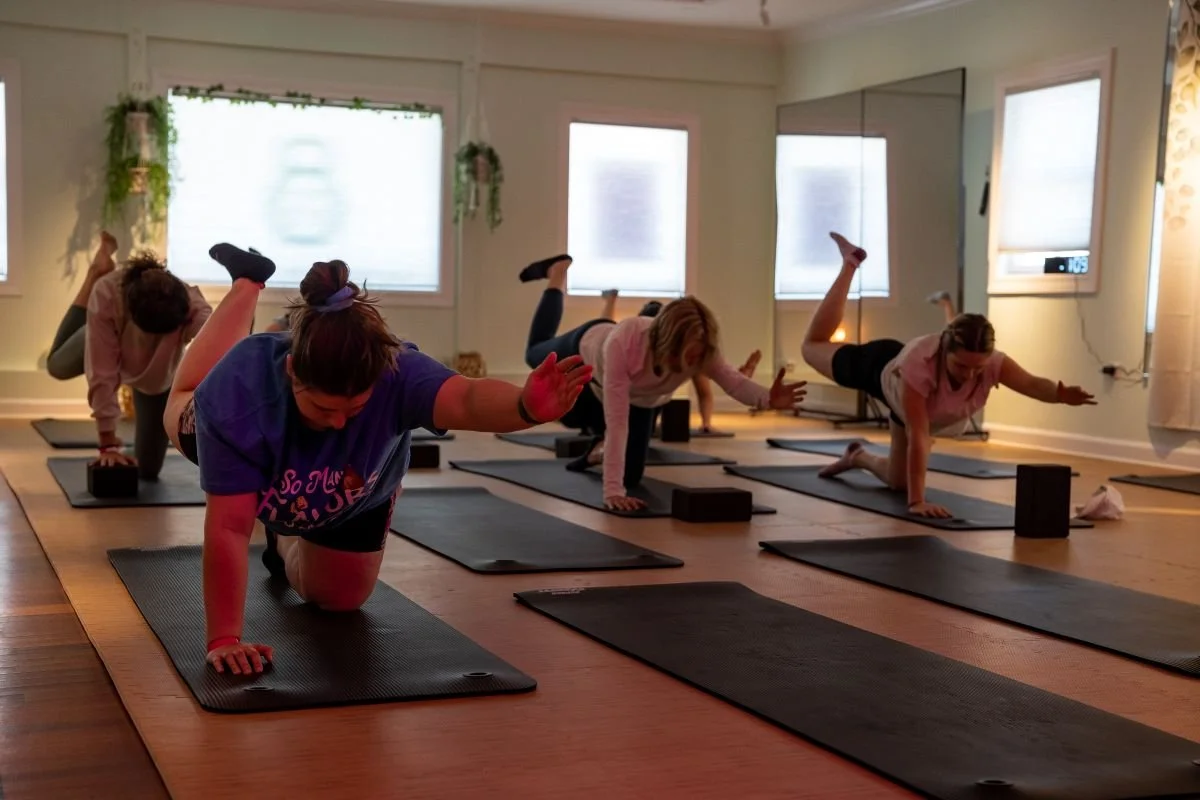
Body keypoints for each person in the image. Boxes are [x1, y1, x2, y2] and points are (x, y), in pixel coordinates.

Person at [165, 245, 592, 676]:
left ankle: (281, 538)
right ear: (293, 371)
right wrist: (225, 639)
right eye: (322, 409)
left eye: (351, 411)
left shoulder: (398, 371)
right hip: (234, 432)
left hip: (349, 492)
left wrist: (525, 406)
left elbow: (466, 397)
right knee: (182, 402)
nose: (337, 423)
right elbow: (228, 528)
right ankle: (248, 283)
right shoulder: (239, 394)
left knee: (341, 599)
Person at [800, 232, 1097, 518]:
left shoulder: (994, 363)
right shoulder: (920, 366)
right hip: (879, 367)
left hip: (908, 408)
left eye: (977, 368)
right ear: (944, 349)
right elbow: (918, 434)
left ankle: (857, 457)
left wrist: (1059, 394)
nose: (969, 375)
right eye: (961, 366)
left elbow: (1031, 384)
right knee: (812, 346)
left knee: (898, 482)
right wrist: (917, 502)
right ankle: (850, 264)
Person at [519, 254, 806, 512]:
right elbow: (618, 422)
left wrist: (768, 399)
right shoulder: (625, 343)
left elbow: (733, 382)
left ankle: (597, 451)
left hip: (643, 397)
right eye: (690, 353)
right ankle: (557, 273)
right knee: (534, 353)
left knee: (631, 476)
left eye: (700, 353)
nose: (696, 359)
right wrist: (612, 492)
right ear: (670, 342)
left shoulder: (704, 348)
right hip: (586, 347)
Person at [45, 231, 212, 479]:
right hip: (105, 333)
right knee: (57, 366)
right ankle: (95, 271)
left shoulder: (193, 306)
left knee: (147, 469)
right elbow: (101, 375)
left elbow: (223, 344)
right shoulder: (107, 295)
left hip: (156, 378)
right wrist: (108, 443)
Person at [636, 299, 761, 435]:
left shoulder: (690, 356)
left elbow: (704, 393)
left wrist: (706, 423)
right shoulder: (633, 348)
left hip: (654, 402)